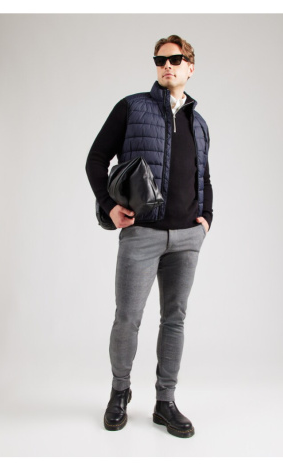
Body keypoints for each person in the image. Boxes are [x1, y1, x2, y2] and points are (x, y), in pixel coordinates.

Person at [86, 34, 213, 438]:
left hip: (187, 238)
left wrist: (206, 219)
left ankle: (165, 402)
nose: (166, 66)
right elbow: (95, 159)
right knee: (128, 318)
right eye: (160, 60)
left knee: (174, 320)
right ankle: (119, 392)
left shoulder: (199, 123)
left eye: (175, 59)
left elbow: (204, 177)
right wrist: (110, 205)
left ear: (190, 66)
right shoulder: (132, 107)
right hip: (141, 234)